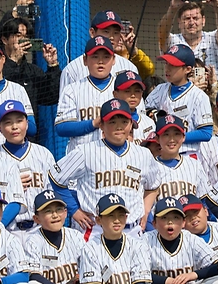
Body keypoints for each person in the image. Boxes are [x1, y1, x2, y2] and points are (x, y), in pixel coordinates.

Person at [50, 99, 162, 239]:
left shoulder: (143, 154)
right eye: (112, 122)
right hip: (96, 232)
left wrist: (145, 211)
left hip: (132, 231)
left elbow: (153, 186)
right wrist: (74, 210)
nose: (119, 127)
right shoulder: (85, 151)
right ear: (101, 125)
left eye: (123, 121)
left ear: (131, 124)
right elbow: (55, 177)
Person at [143, 197, 215, 284]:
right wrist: (168, 281)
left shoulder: (192, 239)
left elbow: (217, 265)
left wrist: (193, 275)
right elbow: (138, 274)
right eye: (164, 218)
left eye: (175, 217)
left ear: (183, 222)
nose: (170, 222)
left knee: (215, 282)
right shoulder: (145, 240)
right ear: (154, 223)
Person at [22, 190, 86, 284]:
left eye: (59, 209)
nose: (55, 215)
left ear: (66, 212)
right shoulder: (32, 240)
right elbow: (34, 275)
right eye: (48, 211)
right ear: (36, 218)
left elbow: (89, 266)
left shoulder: (76, 236)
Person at [0, 100, 57, 234]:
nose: (14, 127)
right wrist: (11, 187)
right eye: (8, 123)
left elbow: (53, 193)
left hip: (40, 229)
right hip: (8, 229)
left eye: (19, 121)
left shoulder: (43, 154)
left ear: (27, 123)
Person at [144, 44, 214, 156]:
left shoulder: (199, 96)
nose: (167, 68)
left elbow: (206, 133)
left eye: (173, 65)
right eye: (166, 63)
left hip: (187, 155)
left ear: (188, 69)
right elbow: (143, 111)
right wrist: (153, 114)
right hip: (162, 155)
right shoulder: (160, 89)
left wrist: (174, 138)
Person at [55, 36, 118, 155]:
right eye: (95, 57)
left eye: (106, 57)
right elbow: (61, 127)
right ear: (85, 60)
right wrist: (93, 123)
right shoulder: (72, 90)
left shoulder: (123, 89)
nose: (101, 61)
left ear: (113, 59)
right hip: (80, 159)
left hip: (114, 158)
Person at [60, 10, 151, 91]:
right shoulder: (73, 69)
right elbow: (65, 105)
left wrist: (133, 51)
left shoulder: (129, 67)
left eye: (116, 33)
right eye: (106, 31)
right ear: (92, 32)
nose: (111, 37)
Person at [0, 17, 61, 132]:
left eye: (26, 37)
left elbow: (51, 97)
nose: (23, 40)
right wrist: (13, 61)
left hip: (27, 135)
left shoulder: (33, 71)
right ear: (4, 40)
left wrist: (53, 66)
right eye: (18, 35)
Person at [157, 0, 218, 74]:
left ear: (203, 20)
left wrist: (217, 7)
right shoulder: (174, 40)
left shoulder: (212, 38)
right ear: (179, 22)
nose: (191, 22)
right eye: (187, 18)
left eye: (195, 18)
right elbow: (162, 34)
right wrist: (173, 9)